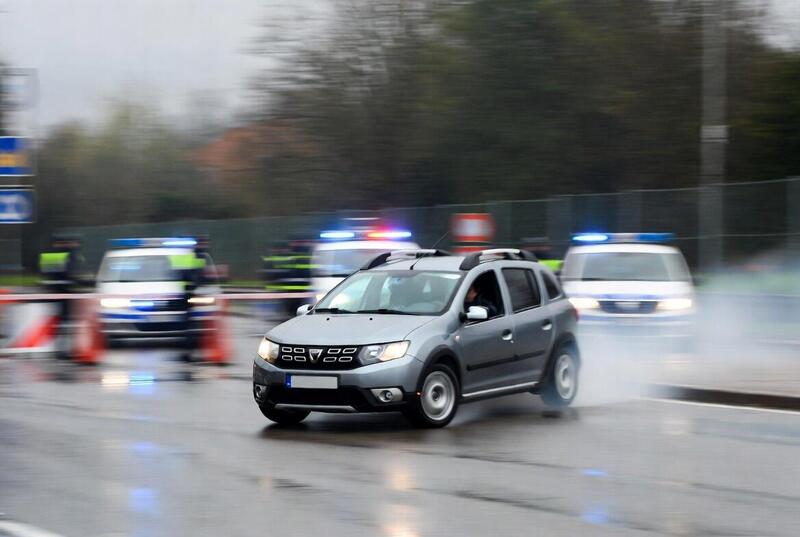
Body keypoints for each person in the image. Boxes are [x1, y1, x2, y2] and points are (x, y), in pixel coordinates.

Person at [38, 233, 86, 359]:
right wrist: (79, 282)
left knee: (57, 324)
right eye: (73, 242)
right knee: (63, 324)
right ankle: (63, 351)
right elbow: (68, 276)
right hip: (63, 294)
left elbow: (46, 276)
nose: (76, 245)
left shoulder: (49, 255)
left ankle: (58, 349)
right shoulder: (67, 255)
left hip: (53, 294)